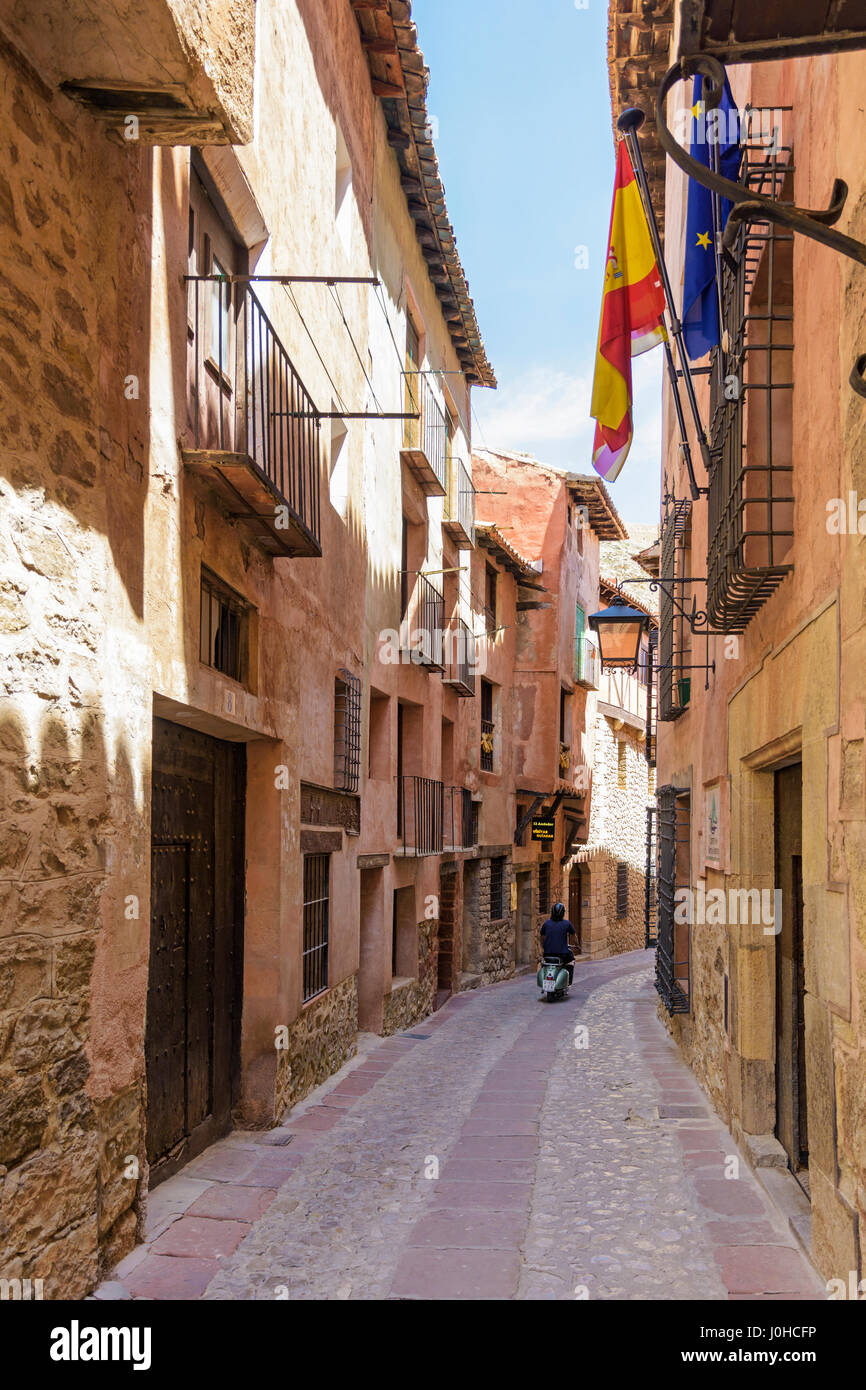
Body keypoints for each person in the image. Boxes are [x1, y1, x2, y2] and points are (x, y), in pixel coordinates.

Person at [539, 901, 577, 986]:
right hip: (562, 954)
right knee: (571, 961)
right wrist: (576, 945)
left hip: (547, 953)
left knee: (545, 963)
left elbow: (541, 937)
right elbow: (573, 936)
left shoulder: (546, 923)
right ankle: (569, 982)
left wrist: (543, 947)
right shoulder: (567, 923)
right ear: (563, 913)